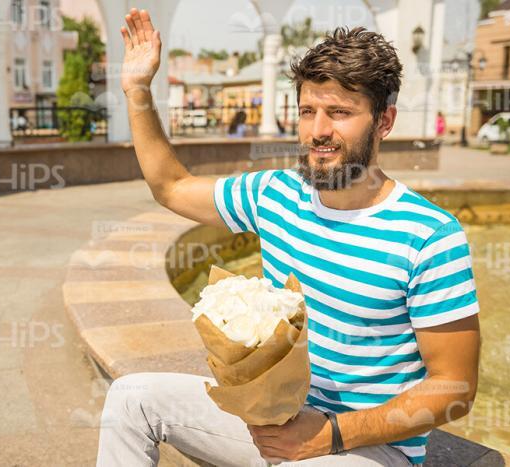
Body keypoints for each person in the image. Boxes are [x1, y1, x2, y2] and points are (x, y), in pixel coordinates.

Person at [101, 8, 480, 467]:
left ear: (384, 121)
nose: (318, 131)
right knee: (132, 397)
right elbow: (171, 187)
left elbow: (454, 388)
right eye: (307, 111)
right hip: (275, 418)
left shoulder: (429, 236)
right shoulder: (275, 194)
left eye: (340, 112)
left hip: (368, 448)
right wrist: (138, 89)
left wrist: (329, 435)